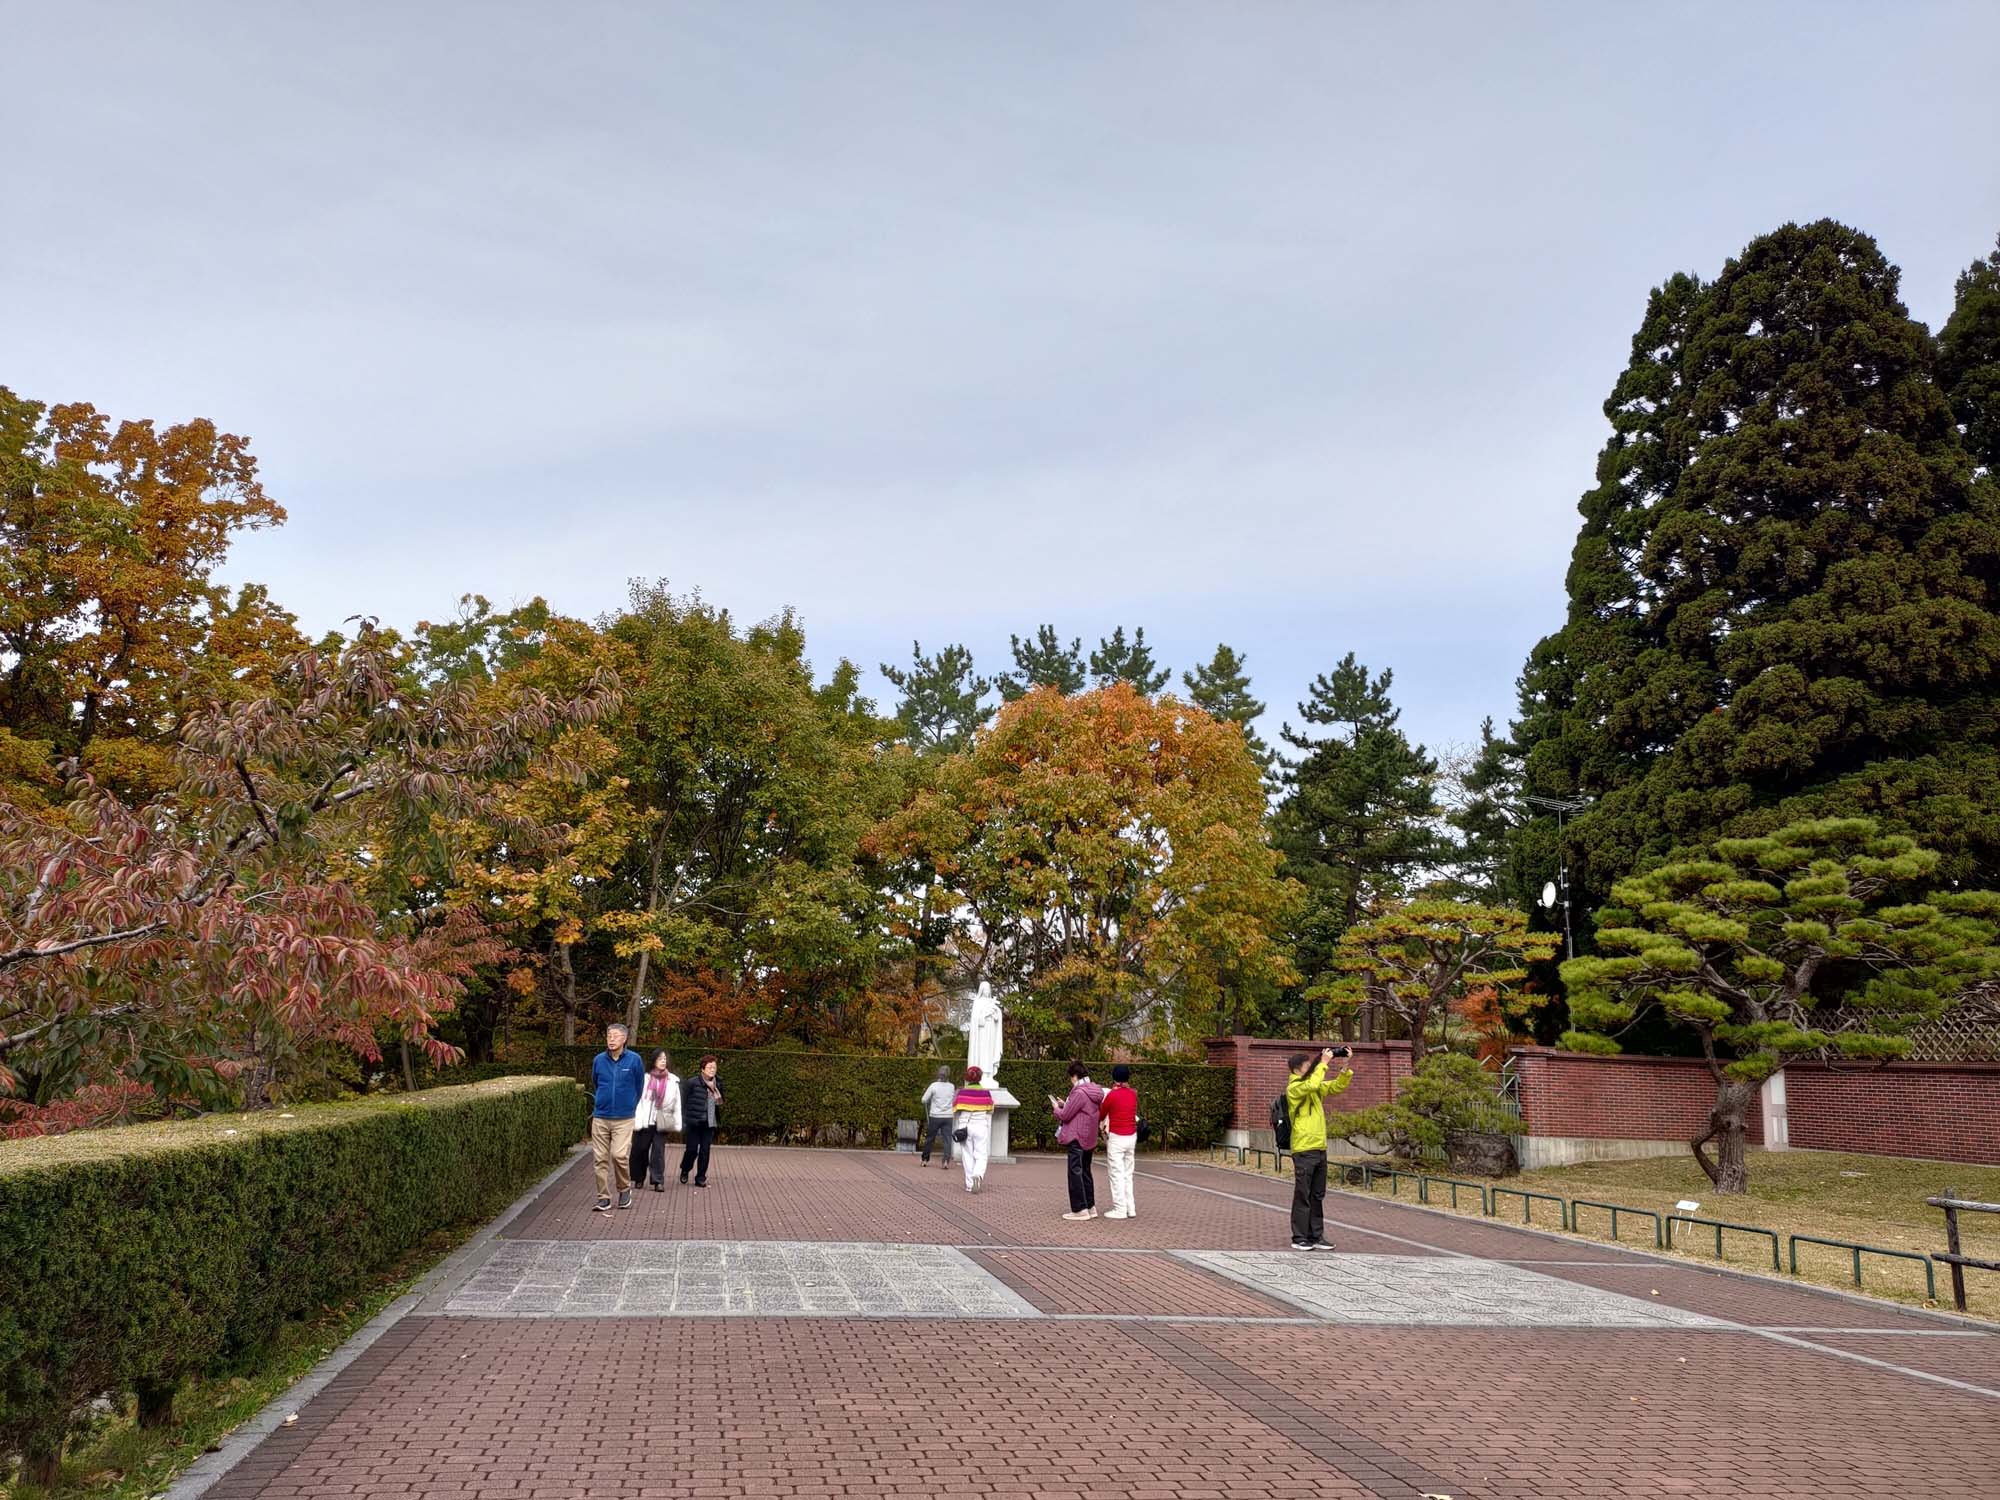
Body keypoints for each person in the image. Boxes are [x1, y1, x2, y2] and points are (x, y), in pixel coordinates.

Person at [1285, 1045, 1354, 1250]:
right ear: (1298, 1069)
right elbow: (1313, 1084)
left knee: (1317, 1195)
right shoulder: (1295, 1088)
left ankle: (1316, 1235)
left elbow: (1336, 1086)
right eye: (1309, 1065)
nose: (1312, 1068)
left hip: (1319, 1147)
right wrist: (1323, 1063)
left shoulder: (1313, 1087)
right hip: (1304, 1148)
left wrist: (1345, 1063)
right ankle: (1299, 1238)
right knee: (1303, 1194)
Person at [588, 1022, 647, 1212]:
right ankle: (603, 1197)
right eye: (608, 1036)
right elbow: (596, 1082)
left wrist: (629, 1104)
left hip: (624, 1117)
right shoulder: (598, 1060)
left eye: (615, 1036)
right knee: (600, 1159)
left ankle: (624, 1189)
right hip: (601, 1116)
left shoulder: (634, 1060)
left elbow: (639, 1087)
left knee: (619, 1155)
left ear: (624, 1039)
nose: (611, 1039)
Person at [1052, 1061, 1106, 1221]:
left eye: (1071, 1077)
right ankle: (1090, 1206)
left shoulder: (1079, 1092)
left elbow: (1065, 1115)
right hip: (1089, 1137)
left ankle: (1079, 1209)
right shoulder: (1095, 1091)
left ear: (1074, 1076)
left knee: (1075, 1172)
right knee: (1086, 1172)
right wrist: (1065, 1104)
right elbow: (1080, 1108)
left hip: (1076, 1137)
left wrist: (1056, 1108)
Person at [629, 1050, 682, 1191]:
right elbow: (637, 1099)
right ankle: (639, 1178)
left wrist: (677, 1122)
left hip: (661, 1120)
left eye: (665, 1058)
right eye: (660, 1058)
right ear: (653, 1061)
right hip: (645, 1119)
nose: (663, 1061)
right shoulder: (644, 1078)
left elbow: (677, 1103)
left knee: (658, 1152)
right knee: (640, 1150)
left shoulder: (673, 1080)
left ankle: (658, 1181)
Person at [1098, 1063, 1140, 1220]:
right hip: (1131, 1136)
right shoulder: (1133, 1094)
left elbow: (1102, 1114)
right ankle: (1131, 1208)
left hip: (1117, 1137)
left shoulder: (1112, 1095)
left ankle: (1120, 1209)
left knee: (1116, 1173)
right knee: (1128, 1173)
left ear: (1114, 1078)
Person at [679, 1054, 722, 1187]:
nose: (712, 1070)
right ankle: (685, 1169)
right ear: (702, 1069)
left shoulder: (718, 1083)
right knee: (692, 1150)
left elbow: (720, 1101)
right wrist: (684, 1119)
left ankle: (701, 1177)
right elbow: (683, 1101)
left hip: (709, 1121)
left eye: (714, 1067)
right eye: (709, 1067)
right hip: (694, 1121)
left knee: (705, 1150)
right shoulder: (692, 1082)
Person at [953, 1065, 994, 1192]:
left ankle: (970, 1184)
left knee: (967, 1155)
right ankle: (978, 1175)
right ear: (980, 1078)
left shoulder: (962, 1093)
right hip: (981, 1125)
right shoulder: (986, 1093)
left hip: (965, 1127)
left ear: (967, 1078)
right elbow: (990, 1110)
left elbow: (955, 1109)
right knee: (981, 1155)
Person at [918, 1065, 956, 1167]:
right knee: (947, 1139)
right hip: (948, 1116)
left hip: (935, 1116)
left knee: (930, 1138)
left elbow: (924, 1100)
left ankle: (925, 1160)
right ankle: (946, 1161)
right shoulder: (952, 1086)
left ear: (939, 1074)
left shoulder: (934, 1085)